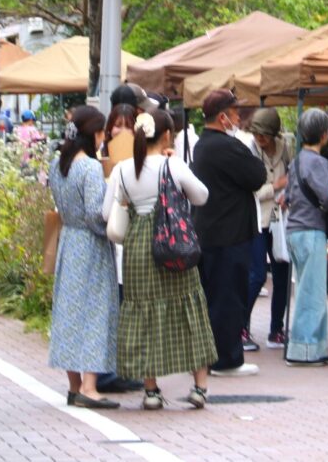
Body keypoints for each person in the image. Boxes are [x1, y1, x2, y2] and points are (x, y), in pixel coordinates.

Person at [105, 109, 217, 409]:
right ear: (167, 135)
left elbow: (107, 213)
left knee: (145, 314)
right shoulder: (173, 165)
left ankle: (151, 391)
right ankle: (199, 387)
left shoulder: (123, 169)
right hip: (172, 243)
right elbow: (202, 196)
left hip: (138, 246)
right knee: (187, 306)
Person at [189, 89, 267, 376]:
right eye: (235, 113)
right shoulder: (226, 146)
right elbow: (257, 175)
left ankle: (212, 356)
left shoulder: (202, 145)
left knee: (214, 296)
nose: (239, 118)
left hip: (210, 231)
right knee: (228, 296)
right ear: (222, 117)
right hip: (229, 233)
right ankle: (227, 359)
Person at [47, 106, 120, 409]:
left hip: (69, 241)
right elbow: (94, 213)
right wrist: (113, 224)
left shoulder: (57, 164)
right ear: (94, 134)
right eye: (102, 132)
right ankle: (90, 388)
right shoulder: (89, 168)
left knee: (69, 313)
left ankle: (74, 385)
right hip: (90, 245)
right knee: (95, 311)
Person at [284, 108, 328, 366]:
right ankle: (305, 349)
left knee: (307, 289)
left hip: (294, 230)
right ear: (324, 134)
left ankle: (315, 347)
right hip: (311, 230)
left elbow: (287, 196)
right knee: (312, 291)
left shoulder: (295, 161)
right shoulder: (319, 162)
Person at [245, 108, 293, 351]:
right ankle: (242, 327)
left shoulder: (286, 148)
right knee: (257, 274)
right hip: (256, 217)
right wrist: (275, 187)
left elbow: (293, 177)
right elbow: (251, 191)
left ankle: (276, 329)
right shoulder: (250, 151)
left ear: (273, 134)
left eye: (263, 135)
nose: (259, 139)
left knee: (283, 273)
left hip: (279, 217)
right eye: (256, 134)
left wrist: (287, 192)